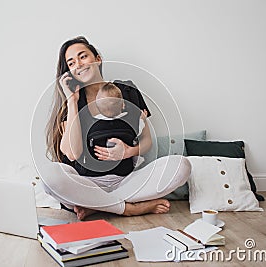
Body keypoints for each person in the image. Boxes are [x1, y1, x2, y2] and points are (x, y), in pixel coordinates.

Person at [45, 36, 191, 220]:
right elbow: (72, 154)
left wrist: (129, 152)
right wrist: (72, 101)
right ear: (70, 72)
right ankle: (130, 209)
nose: (79, 64)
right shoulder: (72, 102)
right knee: (50, 176)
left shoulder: (127, 90)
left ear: (97, 58)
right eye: (71, 63)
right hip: (86, 185)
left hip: (126, 182)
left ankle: (98, 206)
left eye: (83, 56)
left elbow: (146, 140)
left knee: (181, 165)